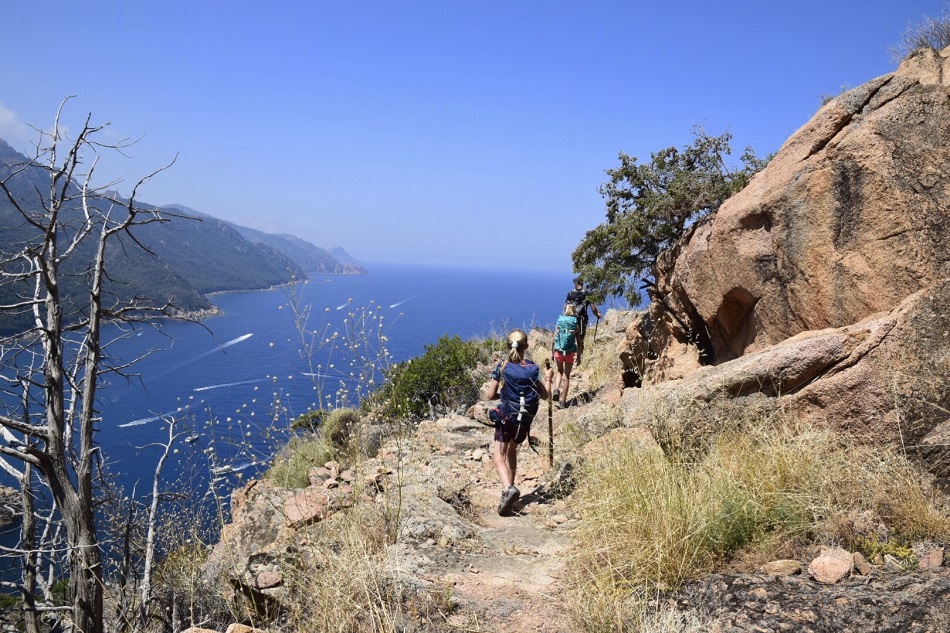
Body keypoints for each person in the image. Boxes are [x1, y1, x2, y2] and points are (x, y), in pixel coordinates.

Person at [486, 329, 554, 515]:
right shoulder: (532, 368)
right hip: (524, 419)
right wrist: (548, 378)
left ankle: (508, 489)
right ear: (526, 346)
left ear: (508, 345)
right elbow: (545, 395)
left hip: (507, 416)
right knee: (512, 449)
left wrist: (506, 395)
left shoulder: (502, 366)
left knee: (498, 455)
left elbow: (491, 395)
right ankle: (512, 486)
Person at [565, 277, 601, 366]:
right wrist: (597, 316)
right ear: (582, 283)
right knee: (580, 340)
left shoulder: (570, 294)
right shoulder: (588, 294)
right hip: (582, 319)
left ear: (576, 283)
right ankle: (579, 360)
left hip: (570, 320)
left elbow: (566, 308)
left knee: (569, 338)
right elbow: (593, 308)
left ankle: (569, 359)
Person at [552, 303, 578, 409]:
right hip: (570, 353)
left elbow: (554, 338)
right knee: (566, 377)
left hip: (558, 351)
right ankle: (563, 402)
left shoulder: (560, 321)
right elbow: (579, 342)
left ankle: (556, 389)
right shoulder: (575, 323)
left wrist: (552, 352)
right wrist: (579, 356)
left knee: (559, 371)